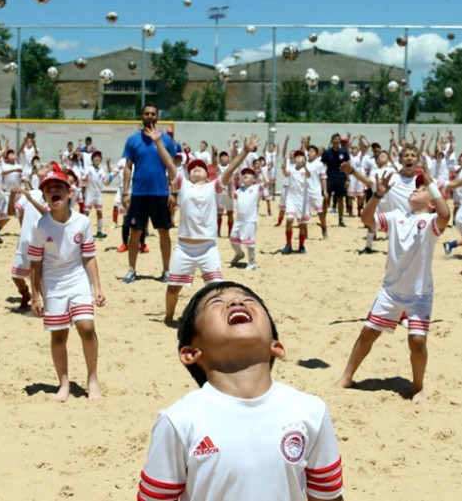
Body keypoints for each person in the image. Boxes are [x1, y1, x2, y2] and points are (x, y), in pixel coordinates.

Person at [138, 282, 344, 501]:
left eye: (249, 300)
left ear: (277, 346)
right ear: (191, 353)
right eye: (216, 302)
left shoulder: (310, 411)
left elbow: (327, 497)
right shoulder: (179, 421)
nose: (236, 302)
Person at [334, 166, 450, 401]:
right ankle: (347, 376)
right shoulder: (396, 216)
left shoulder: (430, 222)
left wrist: (430, 183)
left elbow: (446, 214)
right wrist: (377, 195)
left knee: (417, 341)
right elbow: (366, 219)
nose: (416, 190)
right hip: (390, 291)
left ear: (431, 203)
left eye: (422, 189)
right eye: (415, 188)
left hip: (419, 295)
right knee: (368, 333)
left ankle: (418, 386)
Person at [148, 126, 256, 324]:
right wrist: (157, 142)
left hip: (207, 247)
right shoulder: (183, 185)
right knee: (173, 288)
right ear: (188, 175)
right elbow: (169, 164)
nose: (196, 168)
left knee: (216, 289)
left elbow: (231, 168)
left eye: (201, 167)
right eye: (192, 168)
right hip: (184, 247)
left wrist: (245, 151)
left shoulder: (212, 186)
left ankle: (218, 321)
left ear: (208, 175)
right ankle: (169, 317)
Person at [28, 170, 106, 402]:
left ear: (70, 192)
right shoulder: (41, 226)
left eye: (58, 186)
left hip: (77, 278)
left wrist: (97, 287)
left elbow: (89, 256)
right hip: (52, 283)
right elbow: (35, 263)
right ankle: (63, 383)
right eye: (48, 188)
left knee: (86, 327)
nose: (53, 190)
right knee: (59, 335)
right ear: (44, 197)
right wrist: (35, 295)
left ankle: (92, 379)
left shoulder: (82, 222)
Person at [120, 104, 174, 283]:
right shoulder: (133, 140)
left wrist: (173, 192)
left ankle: (167, 271)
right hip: (139, 194)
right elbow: (128, 168)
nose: (150, 116)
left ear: (157, 116)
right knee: (135, 233)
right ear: (141, 116)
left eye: (153, 113)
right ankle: (131, 270)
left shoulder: (166, 141)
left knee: (164, 233)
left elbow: (172, 169)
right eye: (146, 113)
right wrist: (125, 192)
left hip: (160, 193)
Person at [10, 167, 49, 310]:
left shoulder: (51, 197)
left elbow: (48, 215)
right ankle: (26, 295)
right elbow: (11, 212)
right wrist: (11, 196)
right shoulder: (30, 194)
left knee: (40, 278)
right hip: (24, 242)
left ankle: (47, 305)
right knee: (16, 276)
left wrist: (31, 200)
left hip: (42, 243)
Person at [230, 167, 263, 271]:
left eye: (249, 174)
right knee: (233, 240)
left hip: (250, 221)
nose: (245, 175)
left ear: (254, 179)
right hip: (239, 220)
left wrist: (262, 171)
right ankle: (239, 254)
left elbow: (267, 182)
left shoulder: (256, 188)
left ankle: (252, 263)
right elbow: (231, 195)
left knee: (249, 243)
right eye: (244, 174)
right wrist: (229, 183)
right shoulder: (239, 190)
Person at [280, 147, 311, 255]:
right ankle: (288, 244)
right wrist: (283, 168)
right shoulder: (291, 168)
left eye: (300, 156)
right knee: (289, 219)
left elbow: (309, 175)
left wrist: (305, 166)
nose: (297, 158)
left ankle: (301, 246)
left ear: (304, 159)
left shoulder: (305, 169)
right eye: (296, 156)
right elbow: (285, 173)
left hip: (302, 201)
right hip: (291, 199)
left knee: (302, 225)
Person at [322, 133, 350, 227]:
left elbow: (347, 166)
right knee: (326, 198)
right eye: (335, 139)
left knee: (340, 199)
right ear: (332, 140)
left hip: (340, 178)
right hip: (329, 177)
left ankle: (341, 219)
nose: (336, 140)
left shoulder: (344, 152)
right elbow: (322, 166)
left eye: (338, 139)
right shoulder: (327, 153)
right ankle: (323, 219)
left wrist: (347, 179)